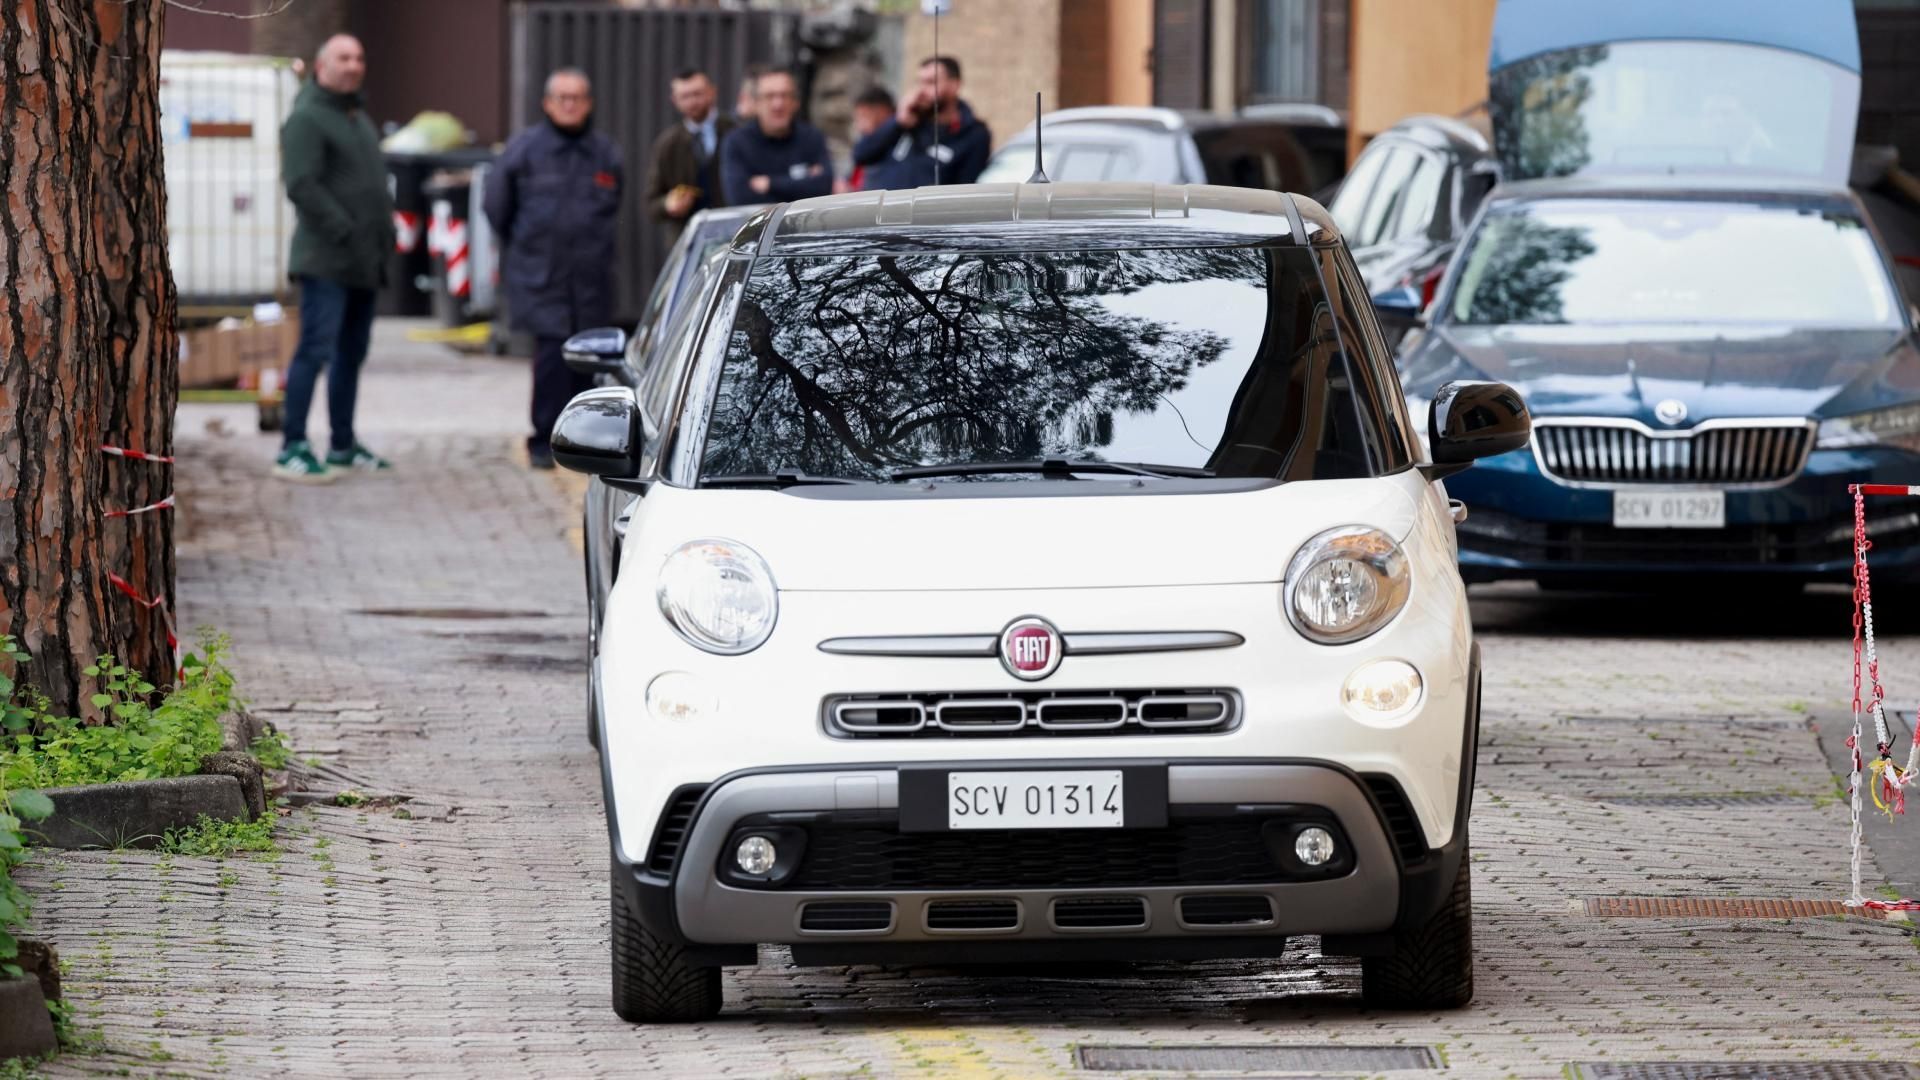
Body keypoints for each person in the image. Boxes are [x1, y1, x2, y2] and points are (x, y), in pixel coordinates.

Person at [483, 68, 625, 470]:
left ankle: (584, 441)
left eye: (577, 97)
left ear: (589, 104)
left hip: (590, 278)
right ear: (547, 103)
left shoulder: (604, 153)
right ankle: (544, 440)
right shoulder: (524, 150)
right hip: (540, 275)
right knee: (550, 360)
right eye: (562, 97)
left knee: (587, 360)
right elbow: (497, 207)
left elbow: (615, 202)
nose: (569, 104)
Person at [273, 33, 396, 483]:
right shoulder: (308, 117)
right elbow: (301, 184)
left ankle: (342, 443)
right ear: (322, 66)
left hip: (364, 261)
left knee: (351, 354)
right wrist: (344, 227)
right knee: (315, 351)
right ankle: (293, 445)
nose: (353, 65)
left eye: (359, 57)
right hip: (326, 260)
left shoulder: (355, 116)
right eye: (344, 57)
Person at [851, 55, 991, 190]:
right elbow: (861, 155)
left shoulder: (973, 135)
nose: (922, 90)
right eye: (920, 82)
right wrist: (897, 123)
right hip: (883, 210)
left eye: (931, 82)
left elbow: (965, 190)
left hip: (925, 212)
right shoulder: (906, 121)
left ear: (954, 85)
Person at [645, 69, 736, 252]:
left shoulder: (735, 132)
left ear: (712, 92)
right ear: (675, 100)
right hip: (690, 244)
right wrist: (668, 204)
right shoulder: (667, 144)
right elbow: (651, 203)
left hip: (736, 236)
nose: (692, 101)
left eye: (697, 94)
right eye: (685, 96)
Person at [719, 68, 833, 207]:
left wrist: (770, 184)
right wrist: (802, 183)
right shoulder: (736, 142)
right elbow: (740, 198)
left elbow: (823, 187)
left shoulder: (812, 137)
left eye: (785, 95)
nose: (778, 104)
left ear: (796, 102)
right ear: (756, 103)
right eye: (769, 96)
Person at [845, 86, 897, 192]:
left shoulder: (897, 144)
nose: (859, 125)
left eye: (863, 116)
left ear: (882, 111)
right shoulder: (867, 148)